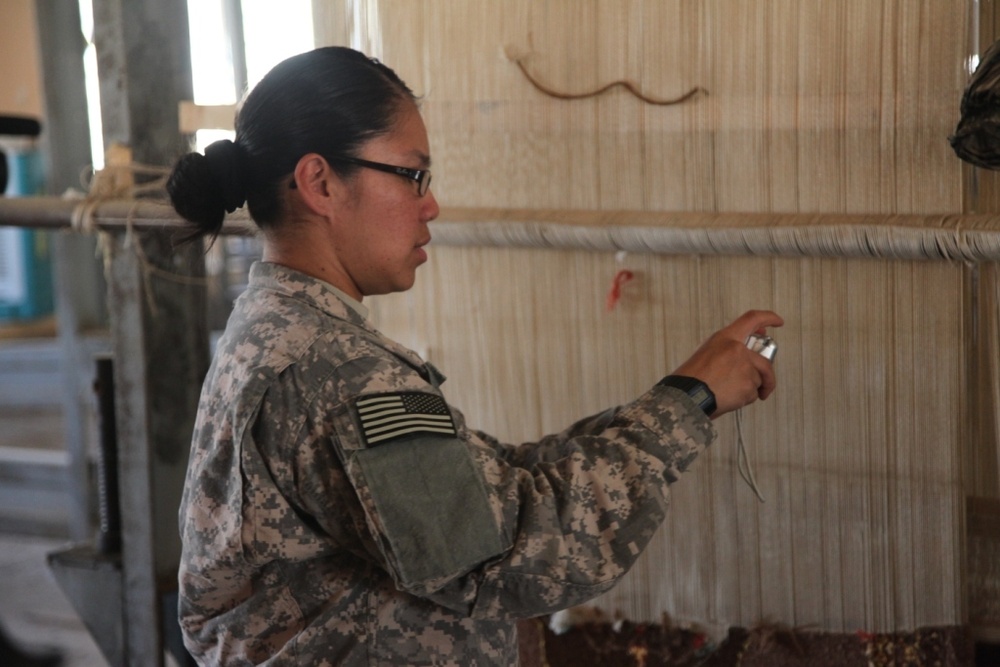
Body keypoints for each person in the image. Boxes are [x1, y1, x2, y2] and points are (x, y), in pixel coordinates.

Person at [167, 46, 783, 666]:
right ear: (320, 182)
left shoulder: (272, 327)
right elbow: (515, 554)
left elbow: (488, 486)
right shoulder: (336, 367)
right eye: (413, 175)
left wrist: (672, 396)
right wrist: (687, 406)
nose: (429, 204)